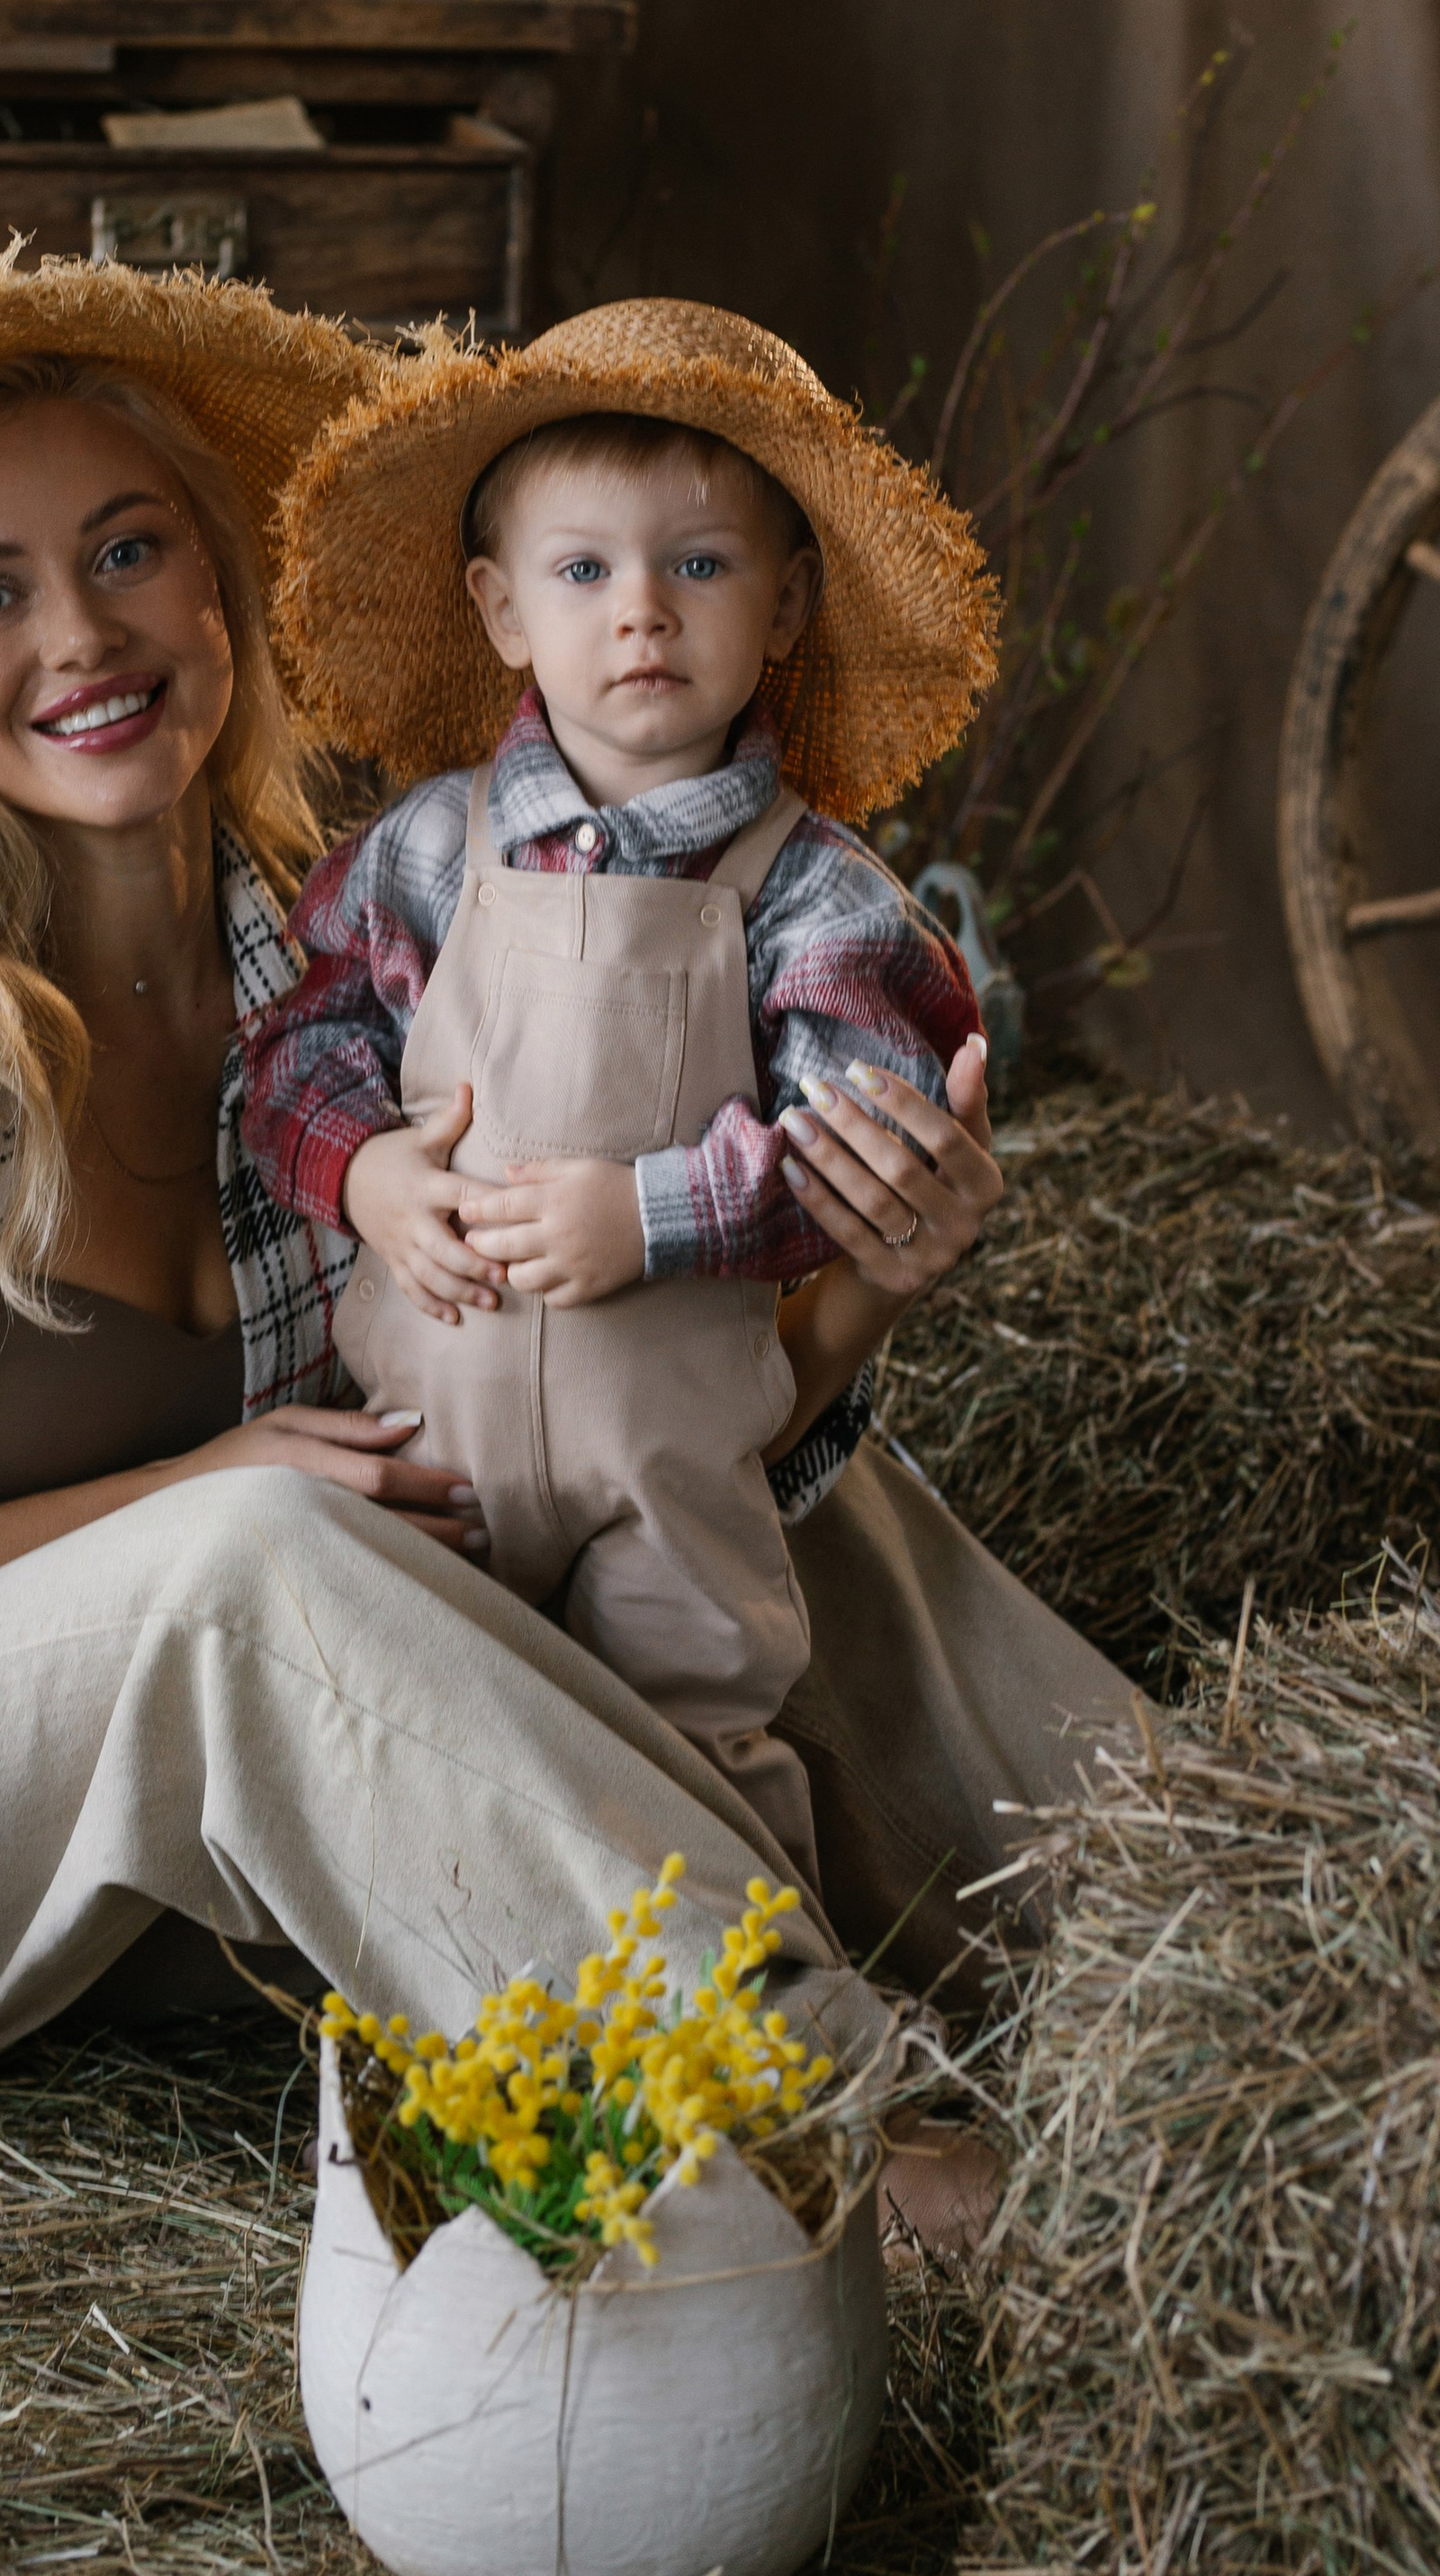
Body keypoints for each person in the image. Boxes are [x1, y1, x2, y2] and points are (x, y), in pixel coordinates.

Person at [0, 254, 1131, 2251]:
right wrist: (180, 1491)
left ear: (218, 585)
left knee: (738, 1465)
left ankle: (1207, 1956)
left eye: (128, 549)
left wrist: (870, 1270)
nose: (81, 632)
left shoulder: (344, 978)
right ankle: (817, 2137)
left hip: (146, 1869)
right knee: (248, 1557)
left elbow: (578, 1448)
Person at [247, 299, 995, 1884]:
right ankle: (449, 2006)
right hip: (422, 1439)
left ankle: (758, 2007)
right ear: (502, 609)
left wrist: (649, 1214)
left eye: (700, 566)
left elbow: (865, 1137)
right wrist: (369, 1173)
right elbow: (299, 1050)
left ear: (787, 603)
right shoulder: (429, 846)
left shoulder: (812, 890)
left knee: (695, 1742)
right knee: (421, 1738)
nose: (642, 610)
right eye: (583, 572)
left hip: (670, 1468)